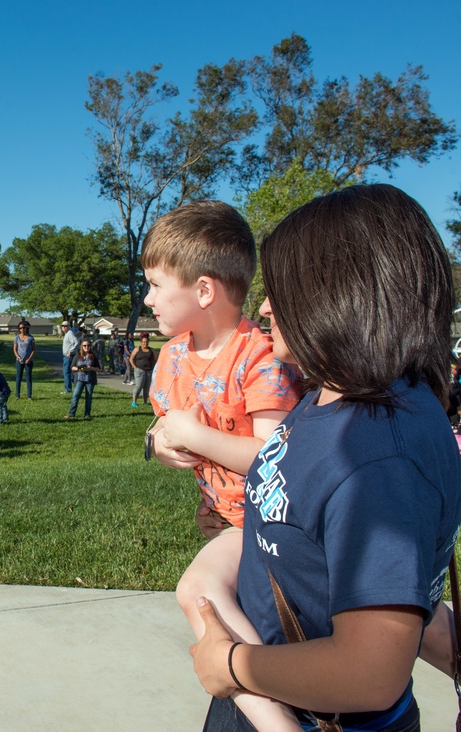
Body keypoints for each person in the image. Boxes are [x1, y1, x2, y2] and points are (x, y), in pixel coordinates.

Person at [191, 184, 461, 732]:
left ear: (338, 295)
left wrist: (230, 665)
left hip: (305, 708)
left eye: (283, 289)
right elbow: (398, 586)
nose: (265, 306)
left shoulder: (378, 455)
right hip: (270, 690)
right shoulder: (332, 398)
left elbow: (369, 672)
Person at [144, 200, 301, 731]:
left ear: (204, 291)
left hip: (269, 520)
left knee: (197, 593)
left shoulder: (257, 356)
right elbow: (164, 431)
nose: (148, 299)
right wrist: (160, 445)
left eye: (157, 285)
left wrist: (195, 436)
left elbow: (276, 455)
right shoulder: (170, 358)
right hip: (227, 521)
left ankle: (281, 712)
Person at [65, 338, 100, 420]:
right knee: (75, 396)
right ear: (81, 346)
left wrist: (91, 368)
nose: (86, 347)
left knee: (89, 397)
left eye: (88, 345)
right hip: (79, 379)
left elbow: (98, 368)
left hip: (90, 380)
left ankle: (87, 414)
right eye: (84, 345)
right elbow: (72, 367)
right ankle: (71, 413)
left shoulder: (93, 356)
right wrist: (81, 369)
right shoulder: (77, 356)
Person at [129, 334, 158, 407]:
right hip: (139, 370)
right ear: (141, 342)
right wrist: (135, 367)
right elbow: (131, 359)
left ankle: (145, 402)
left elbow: (156, 359)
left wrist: (153, 366)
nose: (145, 343)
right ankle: (134, 402)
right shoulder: (137, 349)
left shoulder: (151, 350)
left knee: (146, 387)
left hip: (148, 371)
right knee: (139, 386)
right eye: (143, 342)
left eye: (147, 342)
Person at [13, 321, 36, 399]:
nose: (22, 329)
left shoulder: (31, 337)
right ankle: (17, 395)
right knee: (18, 377)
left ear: (26, 328)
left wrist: (29, 359)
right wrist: (18, 358)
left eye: (23, 327)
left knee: (28, 377)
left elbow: (33, 349)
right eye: (20, 328)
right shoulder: (17, 337)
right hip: (19, 360)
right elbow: (15, 349)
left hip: (28, 361)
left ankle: (29, 396)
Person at [60, 320, 79, 393]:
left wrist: (70, 351)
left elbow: (76, 343)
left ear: (69, 327)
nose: (64, 327)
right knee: (70, 373)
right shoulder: (67, 334)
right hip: (67, 356)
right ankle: (76, 387)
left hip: (69, 356)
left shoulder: (70, 333)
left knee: (66, 372)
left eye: (65, 326)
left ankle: (68, 389)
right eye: (62, 326)